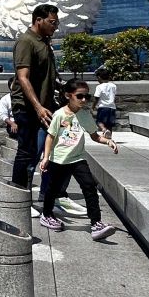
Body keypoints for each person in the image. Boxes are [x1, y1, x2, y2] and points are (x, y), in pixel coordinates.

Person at [39, 79, 118, 239]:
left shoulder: (84, 114)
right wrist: (45, 157)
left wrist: (107, 141)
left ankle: (96, 223)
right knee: (53, 189)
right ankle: (46, 214)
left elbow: (94, 136)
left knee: (89, 187)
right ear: (68, 95)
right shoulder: (59, 115)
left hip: (78, 159)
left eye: (86, 96)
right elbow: (50, 136)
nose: (84, 100)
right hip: (59, 159)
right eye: (79, 96)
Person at [10, 4, 60, 192]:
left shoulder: (44, 41)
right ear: (38, 20)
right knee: (27, 151)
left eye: (56, 23)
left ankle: (50, 195)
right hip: (27, 106)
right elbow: (23, 77)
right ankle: (18, 195)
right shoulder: (26, 41)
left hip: (45, 106)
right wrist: (38, 107)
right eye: (52, 22)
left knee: (56, 149)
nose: (55, 27)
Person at [92, 67, 118, 134]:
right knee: (109, 124)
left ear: (99, 77)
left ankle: (104, 129)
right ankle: (109, 137)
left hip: (103, 107)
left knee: (99, 121)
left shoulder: (99, 87)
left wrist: (93, 106)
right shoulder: (113, 86)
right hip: (112, 107)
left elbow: (96, 97)